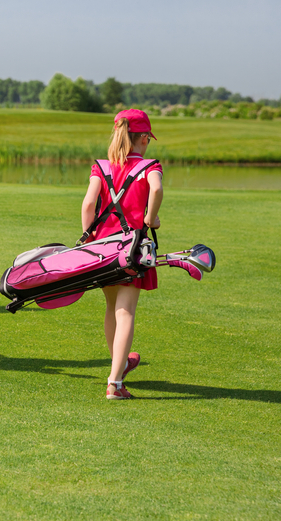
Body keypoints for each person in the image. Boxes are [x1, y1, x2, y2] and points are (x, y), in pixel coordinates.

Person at [80, 109, 163, 399]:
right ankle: (115, 382)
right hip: (132, 248)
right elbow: (156, 190)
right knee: (125, 310)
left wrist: (88, 236)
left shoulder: (101, 167)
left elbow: (88, 204)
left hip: (103, 248)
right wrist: (151, 219)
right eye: (147, 139)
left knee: (111, 308)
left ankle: (121, 364)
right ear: (142, 138)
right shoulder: (150, 166)